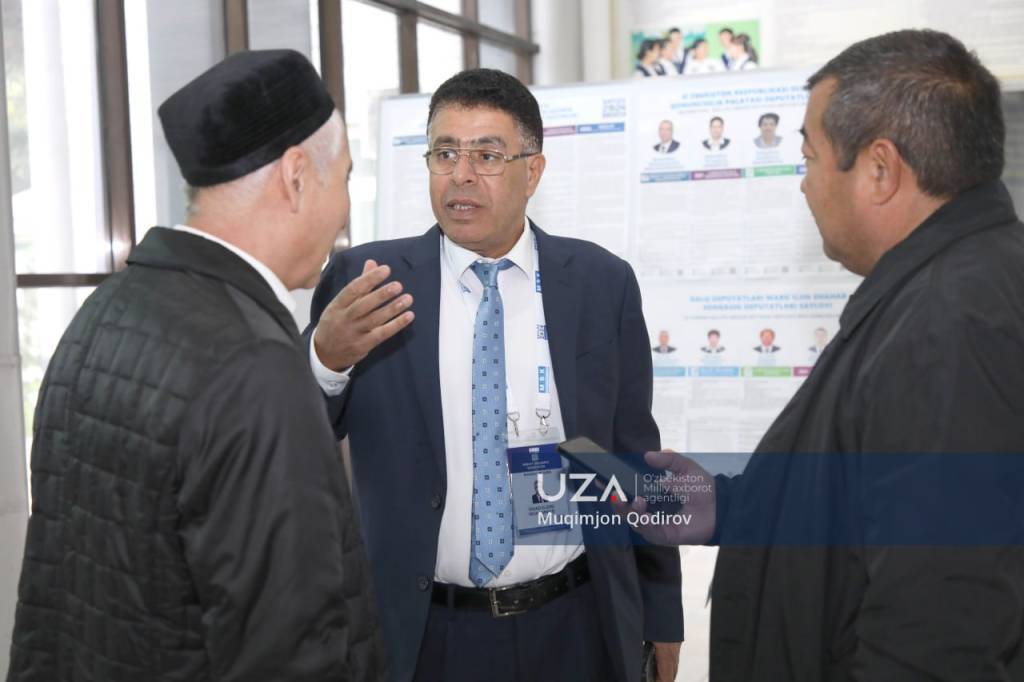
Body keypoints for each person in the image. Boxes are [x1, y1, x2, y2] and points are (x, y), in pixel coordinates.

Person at [621, 30, 1024, 680]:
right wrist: (728, 505)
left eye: (809, 157)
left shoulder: (951, 321)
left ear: (880, 170)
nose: (805, 186)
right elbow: (864, 496)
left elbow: (938, 631)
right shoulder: (951, 284)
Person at [7, 50, 386, 681]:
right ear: (296, 176)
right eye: (344, 178)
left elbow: (53, 599)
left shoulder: (103, 312)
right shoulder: (257, 367)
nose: (345, 212)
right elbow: (290, 653)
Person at [306, 69, 683, 682]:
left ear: (532, 171)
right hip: (424, 634)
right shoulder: (370, 281)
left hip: (573, 623)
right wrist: (326, 359)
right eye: (444, 153)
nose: (461, 174)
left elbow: (633, 456)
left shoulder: (599, 283)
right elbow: (296, 436)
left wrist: (662, 612)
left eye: (486, 155)